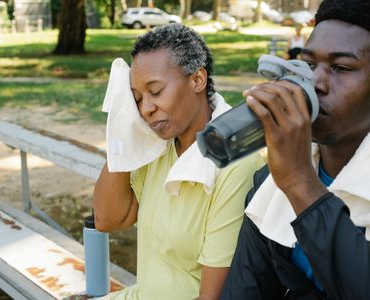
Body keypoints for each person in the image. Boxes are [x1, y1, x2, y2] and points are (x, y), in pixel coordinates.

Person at [93, 24, 264, 300]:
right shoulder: (156, 144)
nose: (146, 108)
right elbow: (107, 219)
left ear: (197, 80)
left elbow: (212, 297)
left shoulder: (235, 165)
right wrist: (121, 132)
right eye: (137, 98)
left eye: (156, 91)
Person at [221, 0, 370, 299]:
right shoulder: (271, 183)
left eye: (341, 68)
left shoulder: (290, 176)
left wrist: (300, 182)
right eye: (309, 65)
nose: (316, 83)